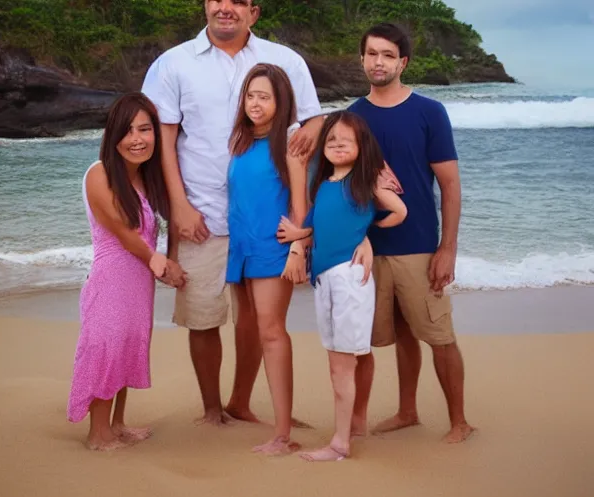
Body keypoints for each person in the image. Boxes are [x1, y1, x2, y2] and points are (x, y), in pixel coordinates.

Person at [141, 0, 325, 426]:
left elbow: (312, 125)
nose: (226, 7)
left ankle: (240, 402)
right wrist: (178, 206)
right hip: (201, 213)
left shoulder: (284, 61)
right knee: (203, 314)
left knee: (256, 320)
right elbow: (163, 141)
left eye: (238, 1)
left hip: (265, 219)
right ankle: (211, 410)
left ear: (254, 12)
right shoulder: (173, 64)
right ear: (205, 5)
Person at [347, 23, 476, 443]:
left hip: (419, 246)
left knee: (438, 336)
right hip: (369, 248)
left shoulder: (428, 112)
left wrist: (448, 249)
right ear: (362, 59)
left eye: (387, 55)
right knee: (399, 333)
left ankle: (459, 422)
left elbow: (451, 185)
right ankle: (407, 411)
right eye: (371, 54)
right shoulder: (352, 117)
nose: (378, 62)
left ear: (402, 62)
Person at [277, 111, 406, 461]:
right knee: (337, 360)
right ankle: (346, 433)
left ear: (361, 147)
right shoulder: (325, 186)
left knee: (341, 365)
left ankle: (340, 444)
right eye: (331, 139)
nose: (336, 145)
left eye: (345, 140)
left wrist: (367, 234)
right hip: (325, 281)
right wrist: (298, 237)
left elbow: (399, 211)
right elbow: (320, 223)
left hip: (349, 278)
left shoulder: (364, 184)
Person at [67, 92, 186, 451]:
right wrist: (160, 263)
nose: (137, 139)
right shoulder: (99, 174)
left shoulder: (144, 180)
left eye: (145, 130)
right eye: (129, 131)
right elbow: (122, 231)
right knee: (106, 350)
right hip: (111, 280)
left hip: (137, 283)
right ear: (113, 135)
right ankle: (97, 434)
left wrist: (166, 260)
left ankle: (116, 424)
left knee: (126, 350)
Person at [225, 63, 310, 455]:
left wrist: (297, 248)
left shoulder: (289, 144)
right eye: (251, 95)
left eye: (265, 97)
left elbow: (300, 205)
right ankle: (278, 416)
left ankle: (282, 434)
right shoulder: (241, 141)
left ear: (281, 102)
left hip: (272, 249)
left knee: (272, 333)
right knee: (251, 329)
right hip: (240, 249)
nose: (255, 103)